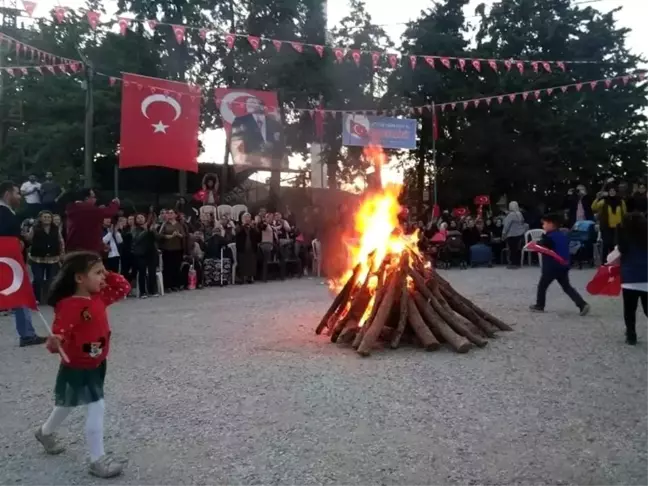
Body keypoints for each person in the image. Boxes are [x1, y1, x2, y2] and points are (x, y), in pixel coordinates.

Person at [36, 252, 130, 478]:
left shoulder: (99, 296)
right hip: (79, 366)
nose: (103, 277)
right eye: (98, 273)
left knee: (67, 404)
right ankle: (97, 460)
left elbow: (123, 288)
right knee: (97, 407)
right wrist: (55, 342)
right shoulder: (69, 306)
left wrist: (108, 274)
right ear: (79, 278)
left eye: (103, 272)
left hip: (97, 362)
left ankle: (45, 432)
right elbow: (59, 335)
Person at [0, 181, 47, 346]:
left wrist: (23, 239)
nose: (20, 197)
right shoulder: (3, 213)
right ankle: (27, 334)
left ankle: (27, 333)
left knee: (18, 293)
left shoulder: (8, 213)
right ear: (7, 194)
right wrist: (19, 240)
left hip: (10, 262)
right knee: (19, 292)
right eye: (17, 193)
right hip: (9, 262)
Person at [529, 213, 590, 316]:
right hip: (563, 265)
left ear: (551, 224)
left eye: (544, 224)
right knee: (567, 287)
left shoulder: (549, 237)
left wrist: (536, 244)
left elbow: (542, 246)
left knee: (542, 286)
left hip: (551, 267)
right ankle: (582, 304)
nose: (543, 226)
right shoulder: (562, 235)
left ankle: (540, 305)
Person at [615, 212, 648, 345]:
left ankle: (631, 334)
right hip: (646, 276)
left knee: (629, 309)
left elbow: (618, 253)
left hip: (630, 278)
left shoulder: (625, 237)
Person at [230, 97, 285, 169]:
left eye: (253, 102)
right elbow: (237, 141)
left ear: (262, 107)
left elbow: (279, 142)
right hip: (249, 159)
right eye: (247, 103)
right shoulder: (240, 120)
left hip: (270, 160)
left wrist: (272, 146)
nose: (249, 104)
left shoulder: (273, 123)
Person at [26, 210, 65, 303]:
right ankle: (36, 298)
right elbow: (29, 239)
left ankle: (49, 298)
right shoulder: (34, 228)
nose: (47, 219)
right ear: (40, 218)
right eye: (45, 217)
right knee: (38, 278)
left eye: (49, 217)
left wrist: (62, 253)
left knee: (51, 279)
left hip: (53, 258)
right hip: (37, 258)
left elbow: (61, 241)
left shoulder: (56, 229)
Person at [66, 189, 120, 254]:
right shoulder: (89, 210)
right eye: (94, 197)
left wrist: (101, 245)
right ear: (86, 198)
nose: (95, 199)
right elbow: (110, 212)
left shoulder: (73, 208)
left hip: (73, 249)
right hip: (88, 251)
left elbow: (88, 230)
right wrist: (115, 203)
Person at [592, 185, 627, 260]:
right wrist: (597, 198)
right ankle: (604, 261)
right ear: (608, 192)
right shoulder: (604, 201)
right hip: (606, 227)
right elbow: (594, 207)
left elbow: (624, 213)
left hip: (618, 227)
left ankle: (615, 261)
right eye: (610, 191)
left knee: (616, 245)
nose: (612, 192)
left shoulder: (621, 201)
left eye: (613, 191)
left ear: (616, 192)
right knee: (607, 244)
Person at [131, 214, 159, 298]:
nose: (140, 219)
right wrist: (146, 230)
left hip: (151, 253)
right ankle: (142, 292)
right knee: (142, 272)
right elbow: (136, 239)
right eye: (138, 218)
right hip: (141, 254)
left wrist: (153, 231)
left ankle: (152, 290)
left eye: (142, 217)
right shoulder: (134, 229)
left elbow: (158, 238)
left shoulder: (150, 228)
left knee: (152, 272)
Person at [158, 209, 186, 292]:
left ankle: (175, 285)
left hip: (178, 248)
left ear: (175, 215)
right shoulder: (165, 224)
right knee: (168, 267)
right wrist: (169, 236)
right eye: (168, 213)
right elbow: (160, 235)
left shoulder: (179, 224)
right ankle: (167, 285)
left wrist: (178, 234)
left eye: (171, 213)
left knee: (176, 267)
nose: (169, 214)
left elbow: (184, 235)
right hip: (167, 248)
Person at [235, 212, 261, 283]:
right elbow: (236, 233)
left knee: (251, 262)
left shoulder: (252, 226)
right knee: (242, 262)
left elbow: (258, 237)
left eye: (248, 217)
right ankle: (241, 277)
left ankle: (250, 277)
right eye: (245, 217)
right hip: (242, 248)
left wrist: (253, 227)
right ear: (242, 219)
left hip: (252, 247)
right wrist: (243, 226)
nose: (247, 219)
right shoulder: (238, 226)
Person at [502, 201, 526, 269]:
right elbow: (523, 222)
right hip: (520, 234)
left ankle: (513, 264)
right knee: (518, 249)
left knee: (512, 250)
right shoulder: (520, 214)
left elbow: (506, 225)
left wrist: (503, 234)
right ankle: (518, 263)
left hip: (512, 234)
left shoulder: (511, 215)